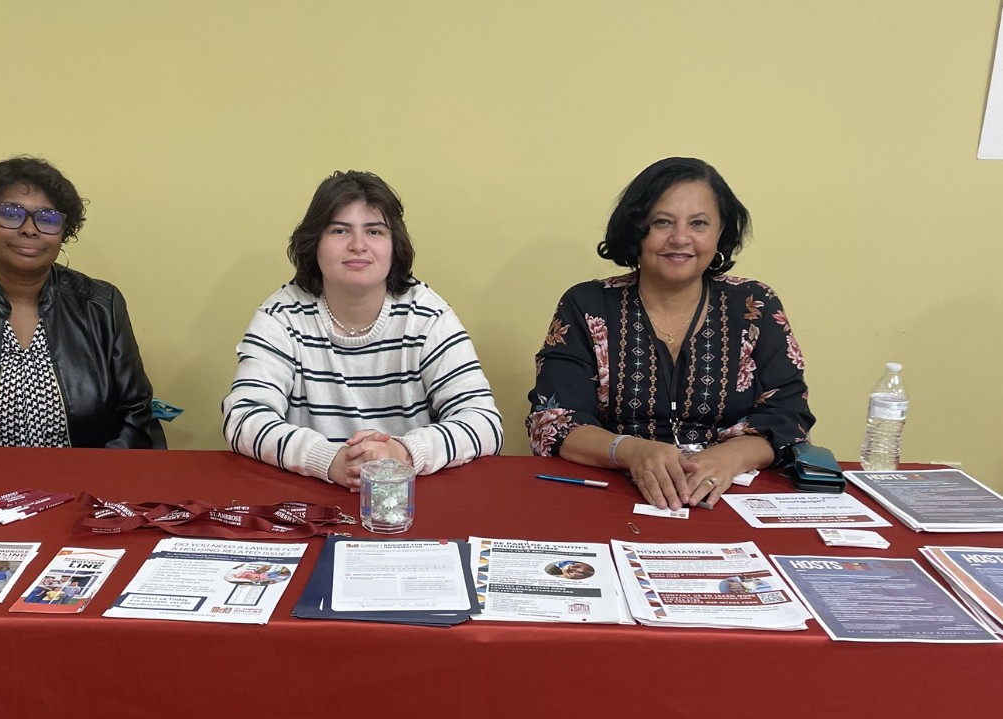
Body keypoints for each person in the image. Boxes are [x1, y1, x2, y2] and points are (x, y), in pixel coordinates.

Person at [527, 157, 814, 510]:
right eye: (662, 222)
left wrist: (728, 458)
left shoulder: (755, 305)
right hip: (614, 493)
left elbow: (790, 416)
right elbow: (553, 422)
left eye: (699, 223)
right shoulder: (587, 305)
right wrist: (631, 451)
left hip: (729, 496)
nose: (680, 239)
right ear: (637, 230)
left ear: (720, 232)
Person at [222, 171, 503, 489]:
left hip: (407, 500)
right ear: (315, 244)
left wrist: (403, 452)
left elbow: (483, 422)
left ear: (394, 245)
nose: (358, 245)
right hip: (309, 496)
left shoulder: (427, 314)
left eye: (374, 231)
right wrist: (331, 460)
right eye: (340, 230)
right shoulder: (281, 315)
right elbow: (243, 417)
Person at [0, 155, 159, 448]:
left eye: (47, 218)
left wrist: (91, 481)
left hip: (84, 484)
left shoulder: (100, 303)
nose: (30, 228)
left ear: (63, 234)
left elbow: (135, 414)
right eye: (11, 213)